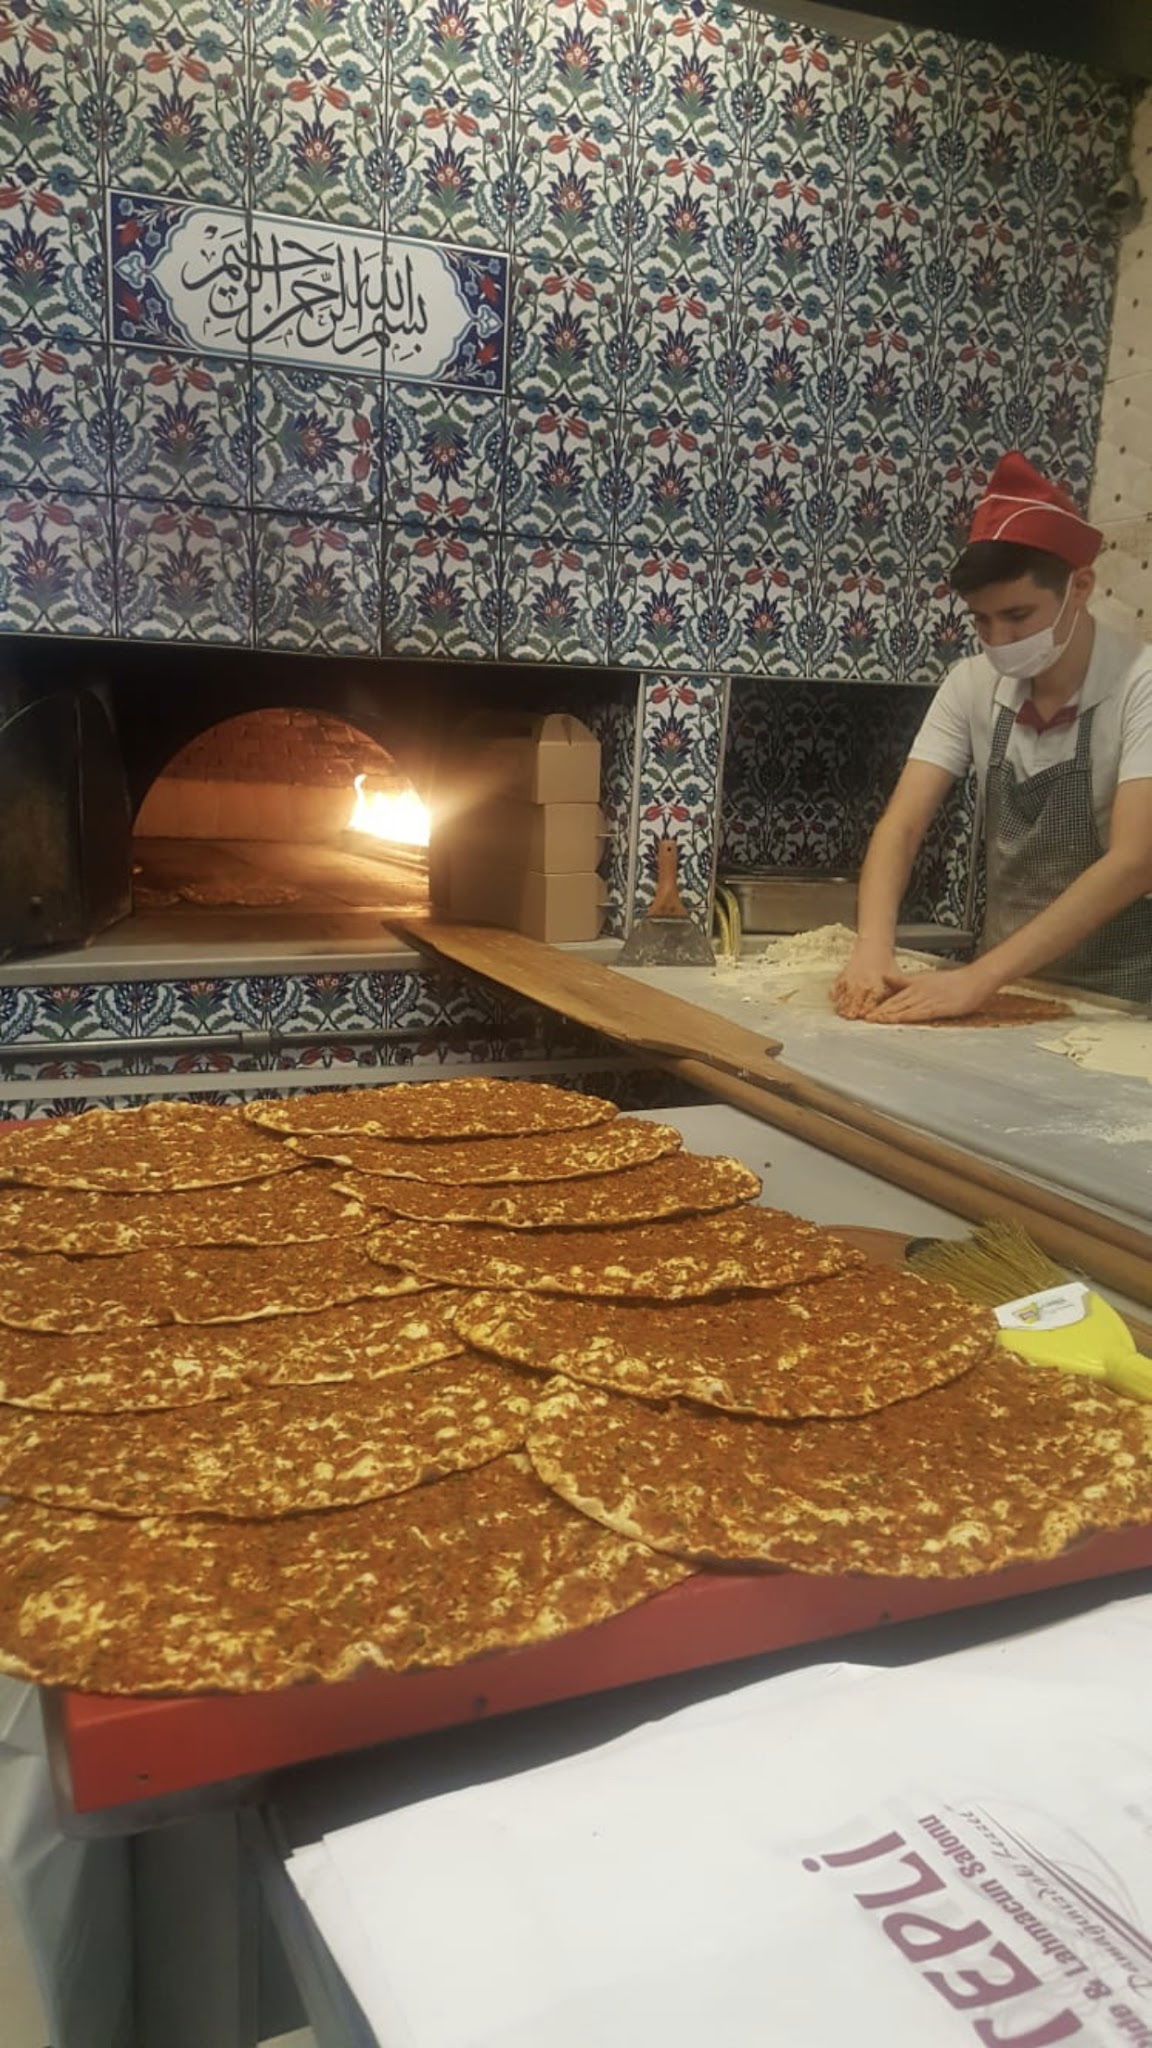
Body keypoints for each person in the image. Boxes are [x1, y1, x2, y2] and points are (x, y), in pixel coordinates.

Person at [834, 452, 1152, 1020]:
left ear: (1080, 587)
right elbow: (902, 825)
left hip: (1122, 1003)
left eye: (1018, 615)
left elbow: (1136, 858)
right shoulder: (973, 683)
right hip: (1010, 990)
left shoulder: (1140, 684)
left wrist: (979, 978)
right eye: (981, 621)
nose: (997, 639)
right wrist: (872, 945)